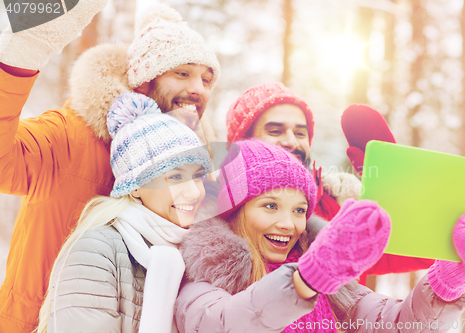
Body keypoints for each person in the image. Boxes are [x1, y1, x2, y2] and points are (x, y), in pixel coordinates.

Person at [0, 2, 219, 331]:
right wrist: (25, 52)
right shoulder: (71, 135)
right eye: (182, 73)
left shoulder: (197, 175)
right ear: (144, 82)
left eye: (207, 79)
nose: (198, 89)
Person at [175, 139, 465, 333]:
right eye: (270, 206)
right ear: (234, 209)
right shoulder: (204, 278)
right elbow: (224, 324)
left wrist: (447, 283)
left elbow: (392, 324)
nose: (288, 223)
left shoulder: (329, 282)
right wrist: (305, 280)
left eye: (299, 210)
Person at [225, 82, 434, 285]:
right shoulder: (221, 216)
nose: (291, 141)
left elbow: (424, 251)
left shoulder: (335, 207)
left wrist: (393, 184)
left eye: (300, 133)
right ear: (243, 143)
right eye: (275, 131)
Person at [36, 92, 212, 333]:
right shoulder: (96, 252)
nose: (193, 193)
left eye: (198, 176)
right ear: (136, 185)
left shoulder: (200, 251)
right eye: (175, 177)